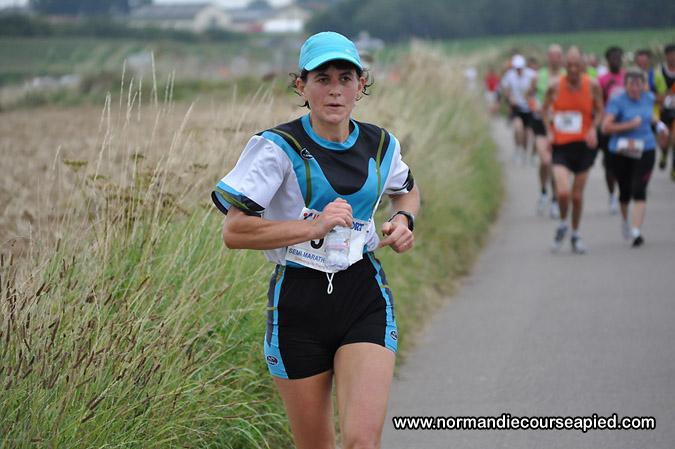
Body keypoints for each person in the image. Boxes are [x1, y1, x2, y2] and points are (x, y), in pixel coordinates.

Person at [211, 31, 420, 449]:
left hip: (362, 294)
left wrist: (403, 218)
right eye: (322, 79)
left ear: (361, 85)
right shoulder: (275, 147)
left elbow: (407, 190)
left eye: (345, 78)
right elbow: (234, 230)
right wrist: (313, 227)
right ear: (301, 86)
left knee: (361, 442)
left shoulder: (381, 144)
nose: (335, 90)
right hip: (297, 303)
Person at [543, 47, 603, 254]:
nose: (573, 69)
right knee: (562, 192)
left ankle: (575, 234)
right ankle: (563, 223)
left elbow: (600, 110)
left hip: (584, 146)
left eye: (577, 65)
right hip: (561, 146)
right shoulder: (554, 86)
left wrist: (594, 129)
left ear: (583, 66)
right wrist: (549, 130)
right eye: (569, 65)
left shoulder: (592, 85)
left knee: (576, 196)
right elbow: (544, 110)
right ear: (564, 65)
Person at [601, 68, 668, 247]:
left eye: (639, 84)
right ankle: (625, 221)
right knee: (625, 191)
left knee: (639, 189)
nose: (635, 88)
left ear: (644, 85)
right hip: (621, 150)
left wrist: (661, 127)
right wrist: (629, 125)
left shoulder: (648, 98)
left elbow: (650, 117)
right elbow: (606, 127)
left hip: (645, 149)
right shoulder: (617, 101)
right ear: (626, 85)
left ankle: (636, 230)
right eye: (632, 84)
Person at [531, 44, 565, 218]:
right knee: (545, 161)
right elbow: (528, 95)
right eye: (552, 55)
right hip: (540, 123)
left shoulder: (567, 76)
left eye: (557, 55)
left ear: (562, 57)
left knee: (556, 164)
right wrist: (535, 106)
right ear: (548, 57)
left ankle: (555, 200)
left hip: (560, 124)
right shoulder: (539, 76)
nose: (554, 59)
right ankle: (544, 191)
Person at [598, 46, 626, 214]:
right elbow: (598, 103)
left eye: (618, 57)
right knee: (609, 164)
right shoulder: (602, 80)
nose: (616, 60)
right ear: (607, 61)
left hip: (626, 127)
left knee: (625, 162)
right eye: (612, 58)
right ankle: (612, 195)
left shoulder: (628, 77)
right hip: (608, 127)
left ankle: (625, 191)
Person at [501, 54, 537, 164]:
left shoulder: (532, 75)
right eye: (517, 68)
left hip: (529, 108)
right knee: (518, 128)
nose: (518, 70)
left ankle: (525, 152)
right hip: (517, 107)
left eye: (520, 68)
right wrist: (510, 98)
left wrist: (532, 95)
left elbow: (537, 89)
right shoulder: (509, 75)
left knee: (527, 134)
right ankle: (518, 149)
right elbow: (506, 90)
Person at [653, 43, 675, 177]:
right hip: (663, 110)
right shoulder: (659, 71)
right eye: (670, 55)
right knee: (664, 138)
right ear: (666, 56)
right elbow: (652, 90)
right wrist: (661, 97)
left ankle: (674, 168)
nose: (673, 57)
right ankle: (664, 154)